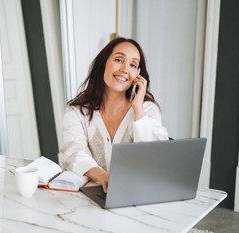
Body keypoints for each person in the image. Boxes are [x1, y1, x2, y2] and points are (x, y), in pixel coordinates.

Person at [60, 37, 169, 192]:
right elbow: (73, 153)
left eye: (133, 65)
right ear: (104, 63)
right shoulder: (76, 111)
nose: (125, 69)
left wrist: (138, 108)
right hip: (89, 196)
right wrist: (104, 177)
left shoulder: (147, 110)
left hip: (136, 195)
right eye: (119, 60)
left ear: (138, 74)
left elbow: (155, 159)